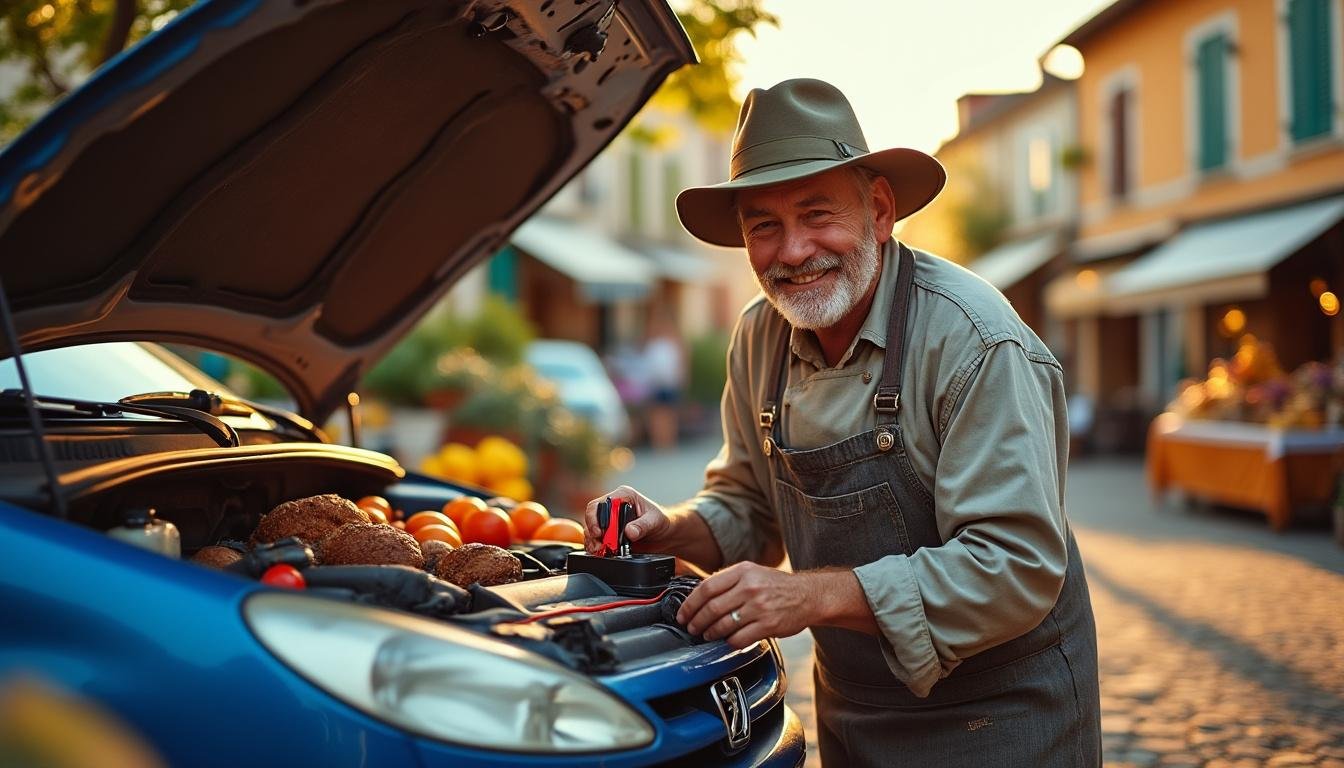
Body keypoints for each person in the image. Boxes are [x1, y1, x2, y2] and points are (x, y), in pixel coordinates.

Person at [584, 78, 1100, 766]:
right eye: (763, 225)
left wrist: (812, 594)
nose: (793, 251)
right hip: (855, 711)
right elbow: (748, 506)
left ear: (879, 211)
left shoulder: (975, 340)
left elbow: (1015, 566)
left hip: (1001, 712)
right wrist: (670, 527)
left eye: (816, 214)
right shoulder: (758, 336)